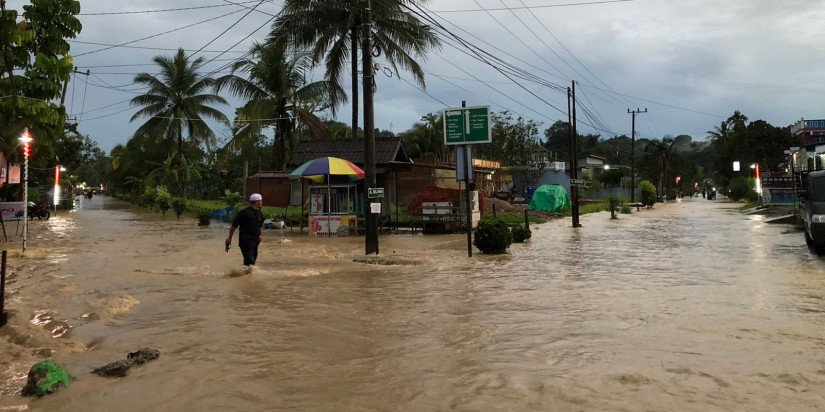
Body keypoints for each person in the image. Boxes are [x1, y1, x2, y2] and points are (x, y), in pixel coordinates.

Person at [226, 193, 265, 270]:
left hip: (255, 240)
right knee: (250, 260)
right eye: (260, 201)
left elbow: (259, 225)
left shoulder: (260, 213)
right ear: (256, 202)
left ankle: (243, 275)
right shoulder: (244, 212)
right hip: (245, 240)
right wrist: (229, 238)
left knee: (252, 260)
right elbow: (234, 226)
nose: (262, 203)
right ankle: (246, 277)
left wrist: (260, 235)